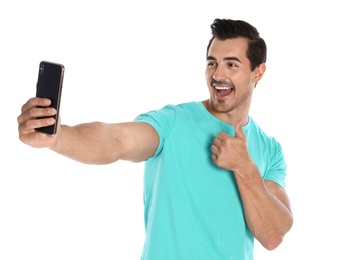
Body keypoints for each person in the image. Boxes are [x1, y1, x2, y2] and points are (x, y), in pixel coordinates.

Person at [17, 18, 293, 259]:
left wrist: (244, 166)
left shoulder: (270, 148)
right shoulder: (174, 122)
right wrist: (59, 138)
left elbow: (273, 235)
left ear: (257, 72)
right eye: (212, 63)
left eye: (231, 64)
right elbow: (116, 140)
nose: (217, 75)